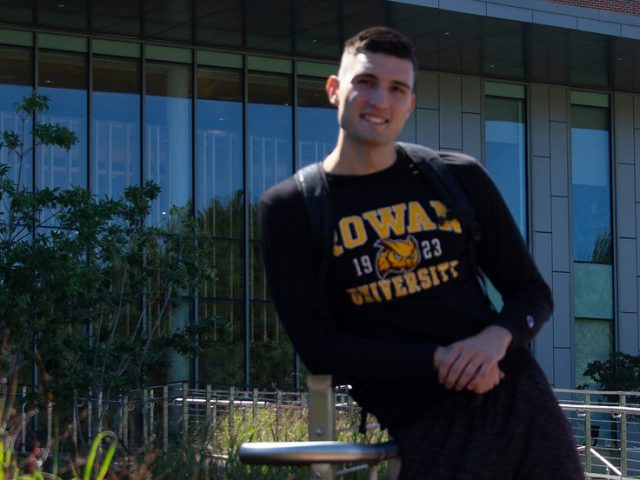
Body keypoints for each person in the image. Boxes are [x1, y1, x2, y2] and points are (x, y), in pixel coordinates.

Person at [259, 26, 583, 479]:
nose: (380, 101)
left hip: (520, 403)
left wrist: (495, 340)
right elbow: (321, 350)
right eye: (365, 82)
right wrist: (441, 361)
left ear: (410, 104)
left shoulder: (455, 177)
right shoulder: (293, 208)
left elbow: (531, 293)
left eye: (397, 89)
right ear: (335, 89)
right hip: (426, 428)